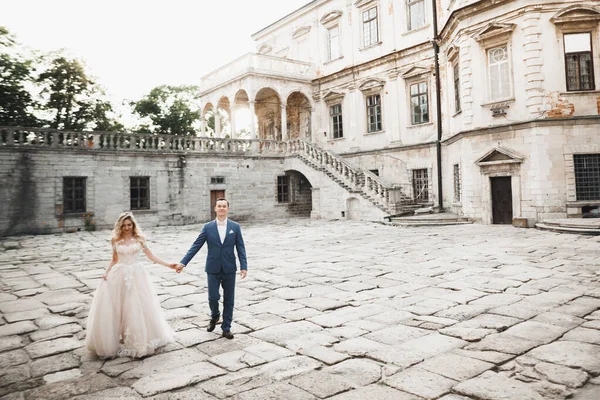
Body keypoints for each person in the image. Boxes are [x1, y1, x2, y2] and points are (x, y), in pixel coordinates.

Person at [86, 212, 176, 358]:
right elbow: (114, 259)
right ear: (120, 226)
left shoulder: (140, 239)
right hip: (119, 274)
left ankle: (140, 339)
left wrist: (169, 265)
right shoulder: (115, 240)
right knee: (119, 307)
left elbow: (151, 256)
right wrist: (106, 272)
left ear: (133, 225)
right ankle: (120, 337)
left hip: (137, 274)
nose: (127, 228)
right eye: (124, 225)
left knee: (137, 306)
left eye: (129, 225)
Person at [176, 198, 247, 339]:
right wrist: (183, 263)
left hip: (229, 268)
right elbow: (196, 246)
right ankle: (215, 315)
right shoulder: (207, 227)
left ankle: (226, 327)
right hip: (213, 268)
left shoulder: (235, 227)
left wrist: (243, 266)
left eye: (224, 206)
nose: (221, 208)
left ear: (227, 209)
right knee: (213, 297)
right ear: (215, 208)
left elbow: (240, 248)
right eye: (219, 206)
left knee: (229, 299)